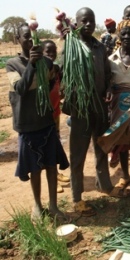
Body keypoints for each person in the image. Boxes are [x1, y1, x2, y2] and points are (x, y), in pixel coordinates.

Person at [61, 7, 130, 217]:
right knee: (78, 154)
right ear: (77, 22)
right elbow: (64, 73)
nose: (89, 25)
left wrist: (109, 88)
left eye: (92, 21)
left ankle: (106, 186)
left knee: (102, 148)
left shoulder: (100, 48)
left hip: (99, 107)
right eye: (84, 21)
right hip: (81, 109)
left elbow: (108, 74)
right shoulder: (71, 46)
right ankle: (77, 198)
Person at [6, 22, 70, 222]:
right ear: (19, 40)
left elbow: (52, 82)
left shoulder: (46, 63)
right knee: (34, 168)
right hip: (27, 124)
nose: (30, 40)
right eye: (25, 36)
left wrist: (47, 66)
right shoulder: (12, 65)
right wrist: (32, 66)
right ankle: (37, 206)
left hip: (45, 122)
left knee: (51, 165)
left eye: (32, 36)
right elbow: (21, 89)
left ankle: (53, 206)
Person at [104, 19, 130, 195]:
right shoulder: (111, 59)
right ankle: (126, 175)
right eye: (124, 33)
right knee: (122, 141)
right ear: (119, 35)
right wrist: (108, 90)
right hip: (118, 104)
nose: (127, 36)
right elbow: (107, 81)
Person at [42, 40, 70, 193]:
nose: (51, 54)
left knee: (55, 144)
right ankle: (51, 179)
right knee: (47, 147)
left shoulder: (57, 69)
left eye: (53, 51)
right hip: (44, 117)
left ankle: (56, 174)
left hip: (55, 114)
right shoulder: (40, 70)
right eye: (48, 52)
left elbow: (62, 89)